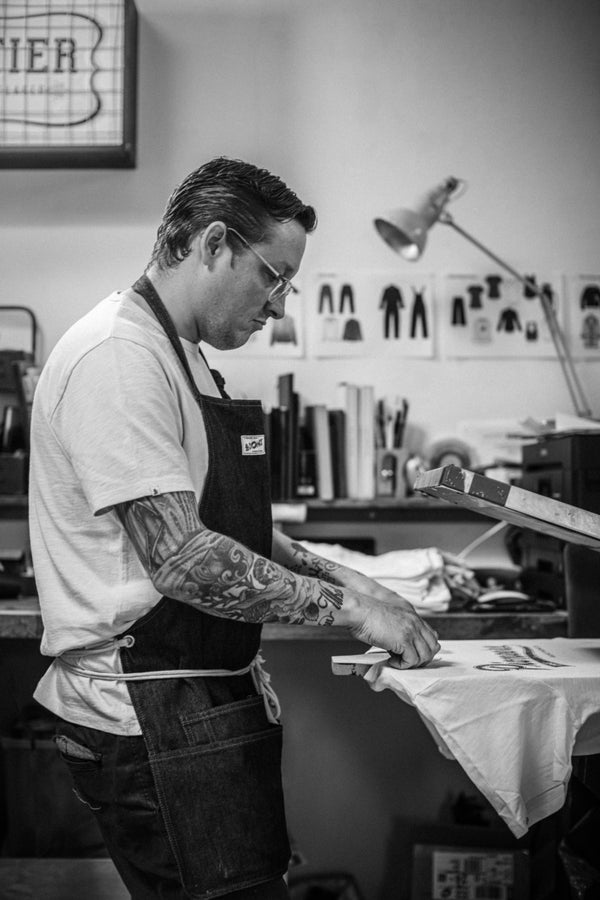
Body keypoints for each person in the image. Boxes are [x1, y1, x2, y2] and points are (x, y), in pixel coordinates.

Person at [29, 157, 440, 900]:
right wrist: (351, 612)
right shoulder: (119, 357)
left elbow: (223, 523)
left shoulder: (179, 353)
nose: (278, 306)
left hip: (193, 705)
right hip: (145, 716)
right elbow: (183, 557)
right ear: (215, 243)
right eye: (273, 278)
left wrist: (341, 575)